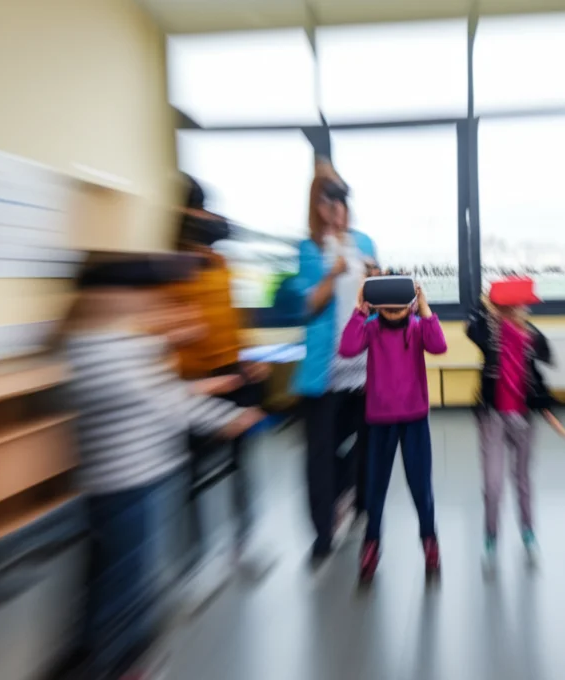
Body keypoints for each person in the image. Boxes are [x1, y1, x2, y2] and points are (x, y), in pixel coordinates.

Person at [61, 254, 264, 678]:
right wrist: (228, 417)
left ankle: (94, 657)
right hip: (131, 485)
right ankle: (120, 663)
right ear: (114, 298)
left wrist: (204, 385)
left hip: (112, 484)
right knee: (127, 583)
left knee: (105, 577)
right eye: (145, 296)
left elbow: (157, 393)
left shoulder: (93, 344)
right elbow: (164, 403)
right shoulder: (114, 348)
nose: (150, 304)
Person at [159, 174, 275, 582]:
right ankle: (193, 557)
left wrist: (246, 357)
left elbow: (231, 315)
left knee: (242, 460)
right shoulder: (170, 265)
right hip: (191, 379)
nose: (206, 218)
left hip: (230, 372)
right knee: (191, 470)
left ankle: (245, 542)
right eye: (197, 209)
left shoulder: (219, 262)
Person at [291, 159, 378, 566]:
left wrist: (377, 279)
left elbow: (382, 303)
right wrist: (333, 273)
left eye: (342, 201)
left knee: (365, 443)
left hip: (365, 366)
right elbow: (308, 303)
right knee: (320, 452)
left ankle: (358, 502)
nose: (337, 209)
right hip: (324, 370)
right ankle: (322, 533)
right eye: (329, 202)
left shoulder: (364, 242)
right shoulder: (308, 248)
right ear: (318, 206)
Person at [338, 281, 447, 583]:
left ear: (410, 304)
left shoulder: (417, 327)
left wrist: (424, 307)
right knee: (375, 488)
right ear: (376, 305)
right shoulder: (371, 328)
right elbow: (347, 348)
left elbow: (439, 345)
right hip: (380, 420)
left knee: (421, 486)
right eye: (387, 305)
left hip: (414, 420)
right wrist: (360, 310)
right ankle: (372, 544)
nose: (394, 311)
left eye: (400, 304)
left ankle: (429, 541)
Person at [464, 277, 565, 574]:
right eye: (515, 306)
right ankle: (490, 537)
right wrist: (488, 307)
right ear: (502, 308)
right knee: (493, 484)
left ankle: (528, 533)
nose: (522, 311)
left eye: (523, 306)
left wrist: (527, 336)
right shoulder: (488, 332)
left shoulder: (531, 336)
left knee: (522, 479)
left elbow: (547, 357)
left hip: (522, 418)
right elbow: (472, 327)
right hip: (492, 416)